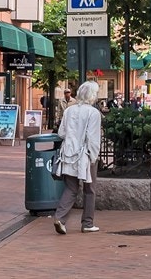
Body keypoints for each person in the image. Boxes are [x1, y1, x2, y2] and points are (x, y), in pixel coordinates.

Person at [52, 80, 103, 234]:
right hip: (85, 155)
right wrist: (94, 157)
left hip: (68, 153)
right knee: (89, 189)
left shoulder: (69, 111)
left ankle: (60, 218)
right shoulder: (93, 113)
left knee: (71, 188)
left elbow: (61, 133)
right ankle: (87, 223)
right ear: (93, 96)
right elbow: (93, 139)